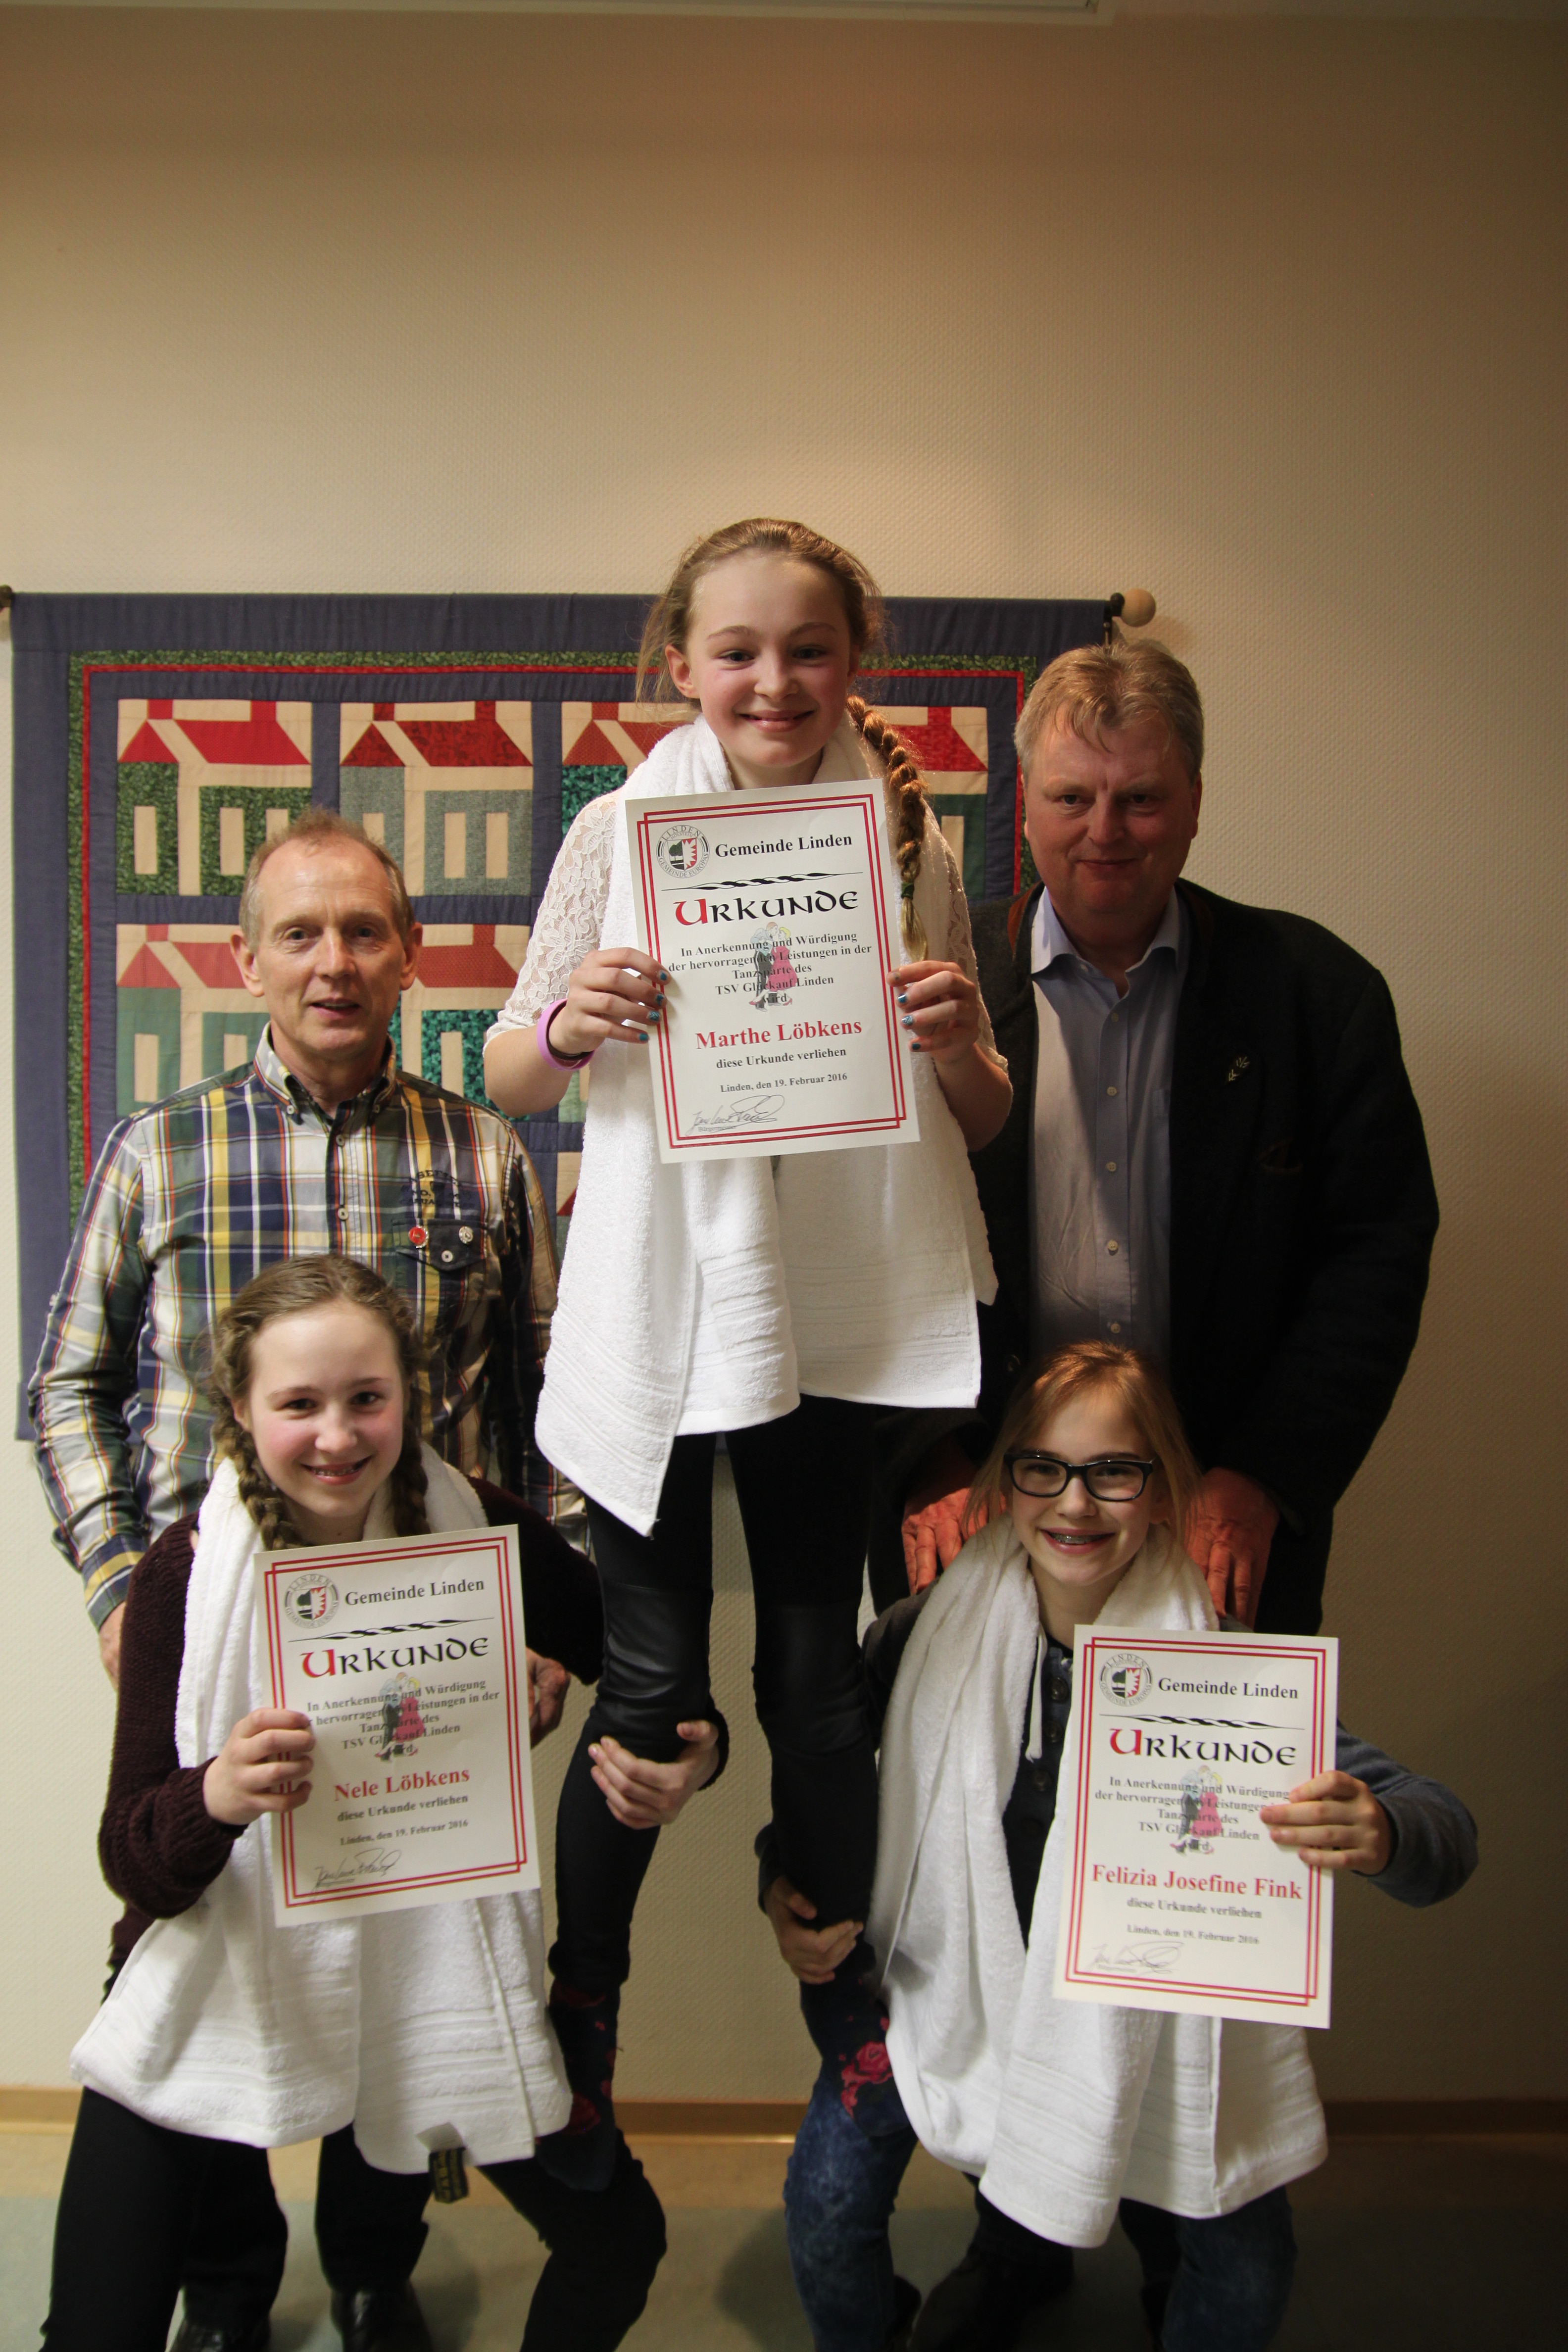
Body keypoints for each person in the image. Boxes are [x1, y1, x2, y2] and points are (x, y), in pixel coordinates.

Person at [482, 517, 1012, 2184]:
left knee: (812, 1684)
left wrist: (950, 1042)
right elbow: (509, 1069)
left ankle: (837, 1989)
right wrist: (572, 1022)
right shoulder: (619, 830)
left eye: (806, 649)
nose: (771, 680)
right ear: (678, 664)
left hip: (824, 1315)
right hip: (664, 1303)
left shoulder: (907, 838)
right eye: (735, 651)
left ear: (854, 662)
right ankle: (584, 2005)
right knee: (647, 1698)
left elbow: (987, 1112)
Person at [30, 808, 578, 2352]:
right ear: (243, 960)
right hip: (210, 1631)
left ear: (410, 956)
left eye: (363, 932)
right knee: (204, 1937)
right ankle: (224, 2275)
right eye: (299, 934)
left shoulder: (480, 1151)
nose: (334, 962)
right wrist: (116, 1588)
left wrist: (544, 1617)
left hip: (425, 1638)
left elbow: (548, 1416)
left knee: (401, 1940)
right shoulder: (160, 1151)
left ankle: (369, 2263)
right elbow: (63, 1386)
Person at [769, 1343, 1477, 2352]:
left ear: (1164, 1491)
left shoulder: (1228, 1672)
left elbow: (1444, 1827)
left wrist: (1384, 1828)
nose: (1076, 1503)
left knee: (1251, 2260)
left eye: (1115, 1471)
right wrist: (779, 1887)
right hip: (944, 1999)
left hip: (1146, 2016)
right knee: (828, 2207)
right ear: (1004, 1481)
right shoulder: (918, 1638)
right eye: (1044, 1468)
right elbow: (821, 1806)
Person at [41, 1257, 677, 2352]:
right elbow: (133, 1858)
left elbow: (638, 1651)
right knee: (95, 2330)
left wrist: (657, 1737)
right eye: (298, 1404)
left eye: (366, 1399)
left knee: (618, 2240)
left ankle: (372, 2276)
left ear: (408, 1398)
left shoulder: (474, 1527)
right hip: (219, 1961)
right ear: (242, 1408)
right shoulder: (181, 1579)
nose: (336, 1436)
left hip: (422, 1955)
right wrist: (219, 1796)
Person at [892, 640, 1439, 1635]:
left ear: (1194, 801)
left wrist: (1268, 1473)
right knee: (965, 1790)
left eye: (1140, 799)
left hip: (1217, 1520)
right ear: (1026, 806)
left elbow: (1375, 1261)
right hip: (975, 1507)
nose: (1105, 832)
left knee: (1205, 1795)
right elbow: (854, 1247)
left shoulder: (1320, 999)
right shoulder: (927, 996)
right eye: (1072, 799)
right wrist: (918, 1463)